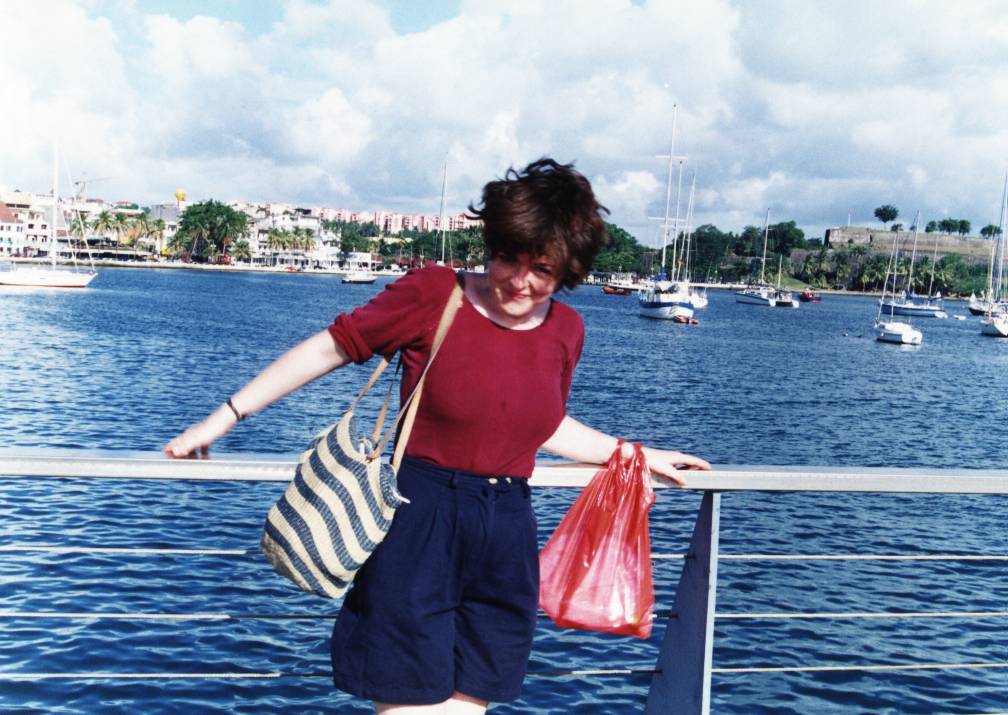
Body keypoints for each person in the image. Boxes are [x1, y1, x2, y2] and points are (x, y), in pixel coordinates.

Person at [164, 158, 710, 713]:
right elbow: (329, 348)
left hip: (506, 534)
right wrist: (225, 416)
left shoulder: (567, 329)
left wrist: (634, 455)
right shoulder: (434, 294)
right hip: (418, 520)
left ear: (569, 269)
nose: (518, 281)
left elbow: (538, 423)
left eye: (541, 269)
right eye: (508, 258)